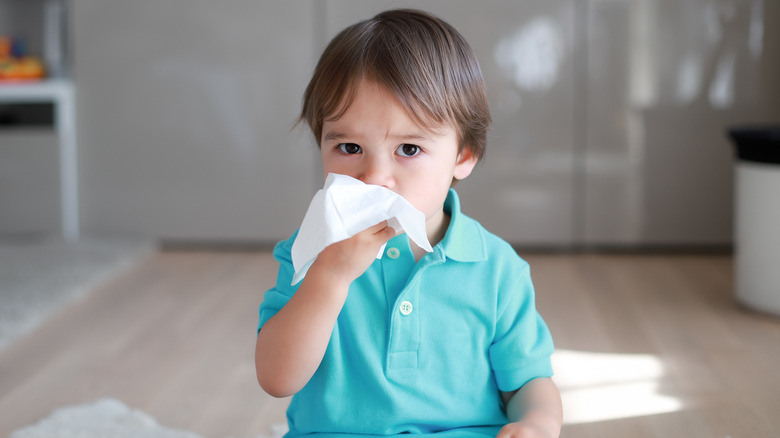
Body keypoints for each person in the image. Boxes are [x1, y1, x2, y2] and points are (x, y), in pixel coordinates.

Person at [255, 9, 562, 438]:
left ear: (463, 156)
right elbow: (276, 377)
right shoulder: (310, 251)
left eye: (409, 150)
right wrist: (331, 275)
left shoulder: (497, 269)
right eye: (349, 146)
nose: (375, 177)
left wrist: (537, 423)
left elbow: (528, 380)